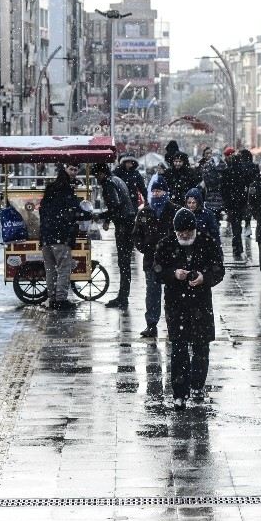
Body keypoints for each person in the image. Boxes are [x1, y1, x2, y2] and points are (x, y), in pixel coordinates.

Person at [154, 208, 225, 407]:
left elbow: (219, 269)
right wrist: (174, 274)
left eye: (188, 231)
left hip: (200, 303)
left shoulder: (207, 242)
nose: (184, 235)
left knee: (201, 346)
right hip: (176, 304)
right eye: (180, 232)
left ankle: (197, 385)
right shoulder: (166, 244)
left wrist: (204, 277)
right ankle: (179, 393)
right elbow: (157, 271)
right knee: (178, 348)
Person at [38, 165, 95, 310]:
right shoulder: (66, 192)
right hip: (60, 237)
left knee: (50, 269)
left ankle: (52, 299)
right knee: (64, 268)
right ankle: (61, 300)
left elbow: (43, 210)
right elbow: (75, 212)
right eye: (73, 170)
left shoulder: (50, 189)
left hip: (45, 237)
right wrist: (90, 215)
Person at [132, 174, 179, 338]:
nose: (157, 194)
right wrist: (144, 247)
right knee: (152, 293)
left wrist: (173, 250)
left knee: (172, 294)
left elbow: (181, 233)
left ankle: (174, 324)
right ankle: (151, 324)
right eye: (155, 191)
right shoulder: (145, 211)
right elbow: (136, 235)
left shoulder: (174, 210)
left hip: (171, 261)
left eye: (160, 191)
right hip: (151, 260)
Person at [94, 163, 138, 309]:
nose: (96, 178)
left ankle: (123, 298)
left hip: (123, 225)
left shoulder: (108, 183)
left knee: (123, 262)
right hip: (128, 222)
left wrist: (102, 216)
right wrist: (107, 219)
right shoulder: (116, 179)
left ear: (102, 173)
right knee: (124, 263)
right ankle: (122, 296)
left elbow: (115, 205)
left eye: (97, 175)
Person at [222, 148, 258, 258]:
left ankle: (236, 246)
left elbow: (223, 189)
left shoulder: (227, 172)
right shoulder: (244, 171)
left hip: (232, 203)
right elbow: (249, 185)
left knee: (235, 225)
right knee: (238, 225)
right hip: (241, 201)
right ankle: (238, 246)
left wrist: (226, 202)